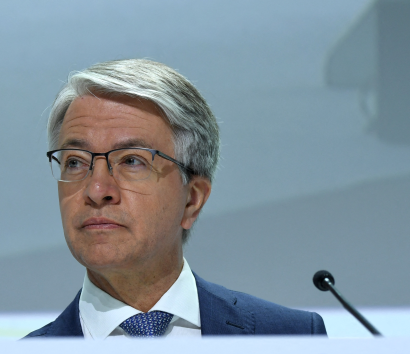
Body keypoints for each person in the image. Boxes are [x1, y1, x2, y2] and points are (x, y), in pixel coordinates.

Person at [25, 59, 326, 339]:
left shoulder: (288, 338)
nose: (96, 189)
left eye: (131, 161)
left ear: (192, 200)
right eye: (75, 162)